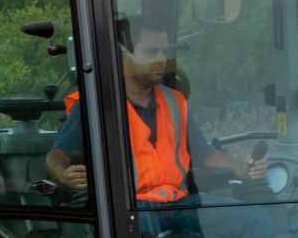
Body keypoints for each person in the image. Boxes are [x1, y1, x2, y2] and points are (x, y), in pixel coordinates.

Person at [43, 22, 258, 202]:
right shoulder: (96, 104)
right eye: (151, 51)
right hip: (131, 209)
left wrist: (243, 167)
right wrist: (63, 175)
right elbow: (55, 156)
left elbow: (206, 155)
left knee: (255, 220)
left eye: (164, 51)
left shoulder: (175, 102)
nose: (162, 59)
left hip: (178, 202)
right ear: (124, 54)